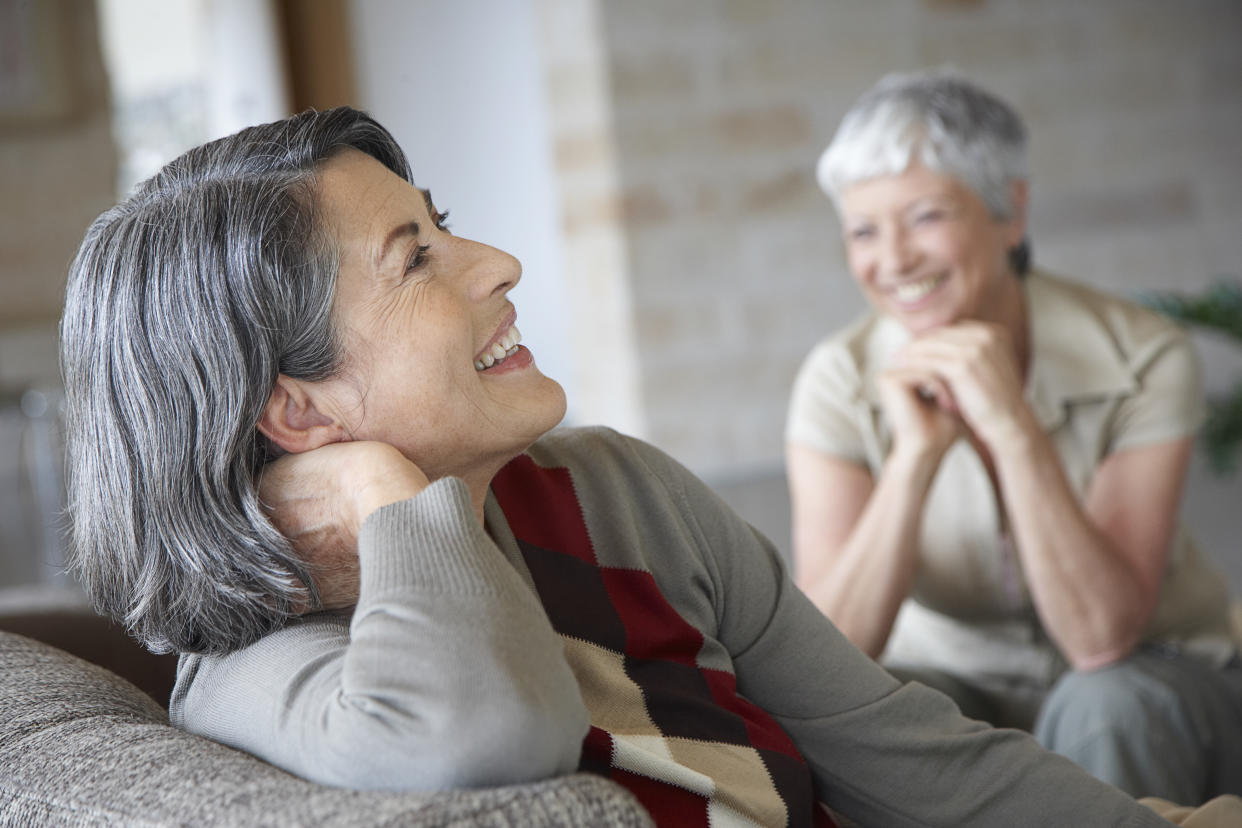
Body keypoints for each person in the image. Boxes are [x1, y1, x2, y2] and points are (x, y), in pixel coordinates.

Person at [61, 106, 1180, 828]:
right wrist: (386, 502)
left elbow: (914, 760)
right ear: (294, 408)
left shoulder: (617, 490)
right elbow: (485, 736)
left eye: (443, 226)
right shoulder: (256, 662)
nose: (497, 262)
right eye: (418, 260)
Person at [786, 68, 1242, 804]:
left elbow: (1101, 637)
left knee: (1105, 702)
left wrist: (1011, 425)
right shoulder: (836, 380)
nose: (893, 259)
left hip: (1155, 679)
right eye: (864, 230)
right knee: (871, 718)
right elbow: (827, 660)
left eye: (925, 216)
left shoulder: (1144, 354)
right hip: (960, 682)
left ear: (1011, 212)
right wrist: (915, 459)